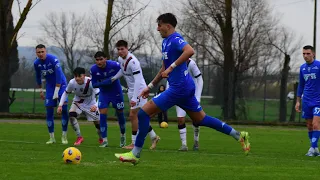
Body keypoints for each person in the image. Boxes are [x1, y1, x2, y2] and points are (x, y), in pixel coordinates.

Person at [115, 13, 250, 165]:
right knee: (201, 119)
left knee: (143, 113)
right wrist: (150, 86)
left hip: (178, 88)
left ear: (168, 26)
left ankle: (135, 153)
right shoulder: (165, 42)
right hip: (184, 87)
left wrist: (172, 67)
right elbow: (164, 68)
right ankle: (239, 135)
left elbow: (189, 51)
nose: (157, 28)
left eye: (160, 25)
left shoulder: (175, 39)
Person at [111, 40, 160, 150]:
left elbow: (138, 80)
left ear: (127, 48)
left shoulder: (133, 62)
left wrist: (134, 97)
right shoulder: (120, 59)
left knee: (133, 115)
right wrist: (114, 78)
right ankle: (154, 137)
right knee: (141, 116)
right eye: (118, 49)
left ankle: (134, 143)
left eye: (122, 49)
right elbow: (122, 72)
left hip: (139, 90)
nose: (120, 51)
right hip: (131, 90)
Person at [33, 44, 69, 144]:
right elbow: (37, 77)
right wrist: (41, 90)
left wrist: (57, 92)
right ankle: (51, 137)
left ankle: (64, 136)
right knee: (49, 112)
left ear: (46, 51)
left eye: (42, 52)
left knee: (64, 110)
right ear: (36, 53)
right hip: (50, 87)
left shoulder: (53, 59)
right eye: (38, 52)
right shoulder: (36, 63)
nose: (40, 54)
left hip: (61, 85)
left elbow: (58, 75)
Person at [90, 51, 126, 148]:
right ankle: (105, 140)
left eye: (101, 59)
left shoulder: (114, 65)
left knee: (120, 114)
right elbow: (94, 84)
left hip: (116, 92)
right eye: (97, 60)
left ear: (106, 58)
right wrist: (106, 82)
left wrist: (113, 79)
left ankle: (123, 136)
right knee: (103, 114)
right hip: (104, 93)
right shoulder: (93, 69)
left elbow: (123, 70)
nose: (99, 62)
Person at [57, 67, 102, 146]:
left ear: (84, 75)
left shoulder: (91, 82)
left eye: (79, 76)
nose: (77, 78)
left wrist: (96, 105)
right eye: (75, 76)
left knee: (98, 124)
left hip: (91, 103)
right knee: (71, 115)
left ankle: (101, 138)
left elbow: (100, 95)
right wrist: (60, 105)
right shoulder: (72, 82)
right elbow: (66, 93)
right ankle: (79, 137)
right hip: (78, 102)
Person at [167, 58, 203, 151]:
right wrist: (169, 95)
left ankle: (196, 142)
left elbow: (200, 79)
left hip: (192, 96)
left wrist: (198, 96)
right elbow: (169, 80)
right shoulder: (174, 64)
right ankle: (184, 145)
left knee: (196, 120)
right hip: (180, 95)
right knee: (180, 119)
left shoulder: (191, 63)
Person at [296, 45, 320, 156]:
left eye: (308, 53)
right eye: (304, 54)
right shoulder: (302, 68)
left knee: (316, 124)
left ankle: (312, 148)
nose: (305, 56)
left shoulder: (319, 66)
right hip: (306, 100)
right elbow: (301, 85)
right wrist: (298, 101)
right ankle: (315, 149)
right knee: (309, 126)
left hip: (318, 101)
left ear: (313, 54)